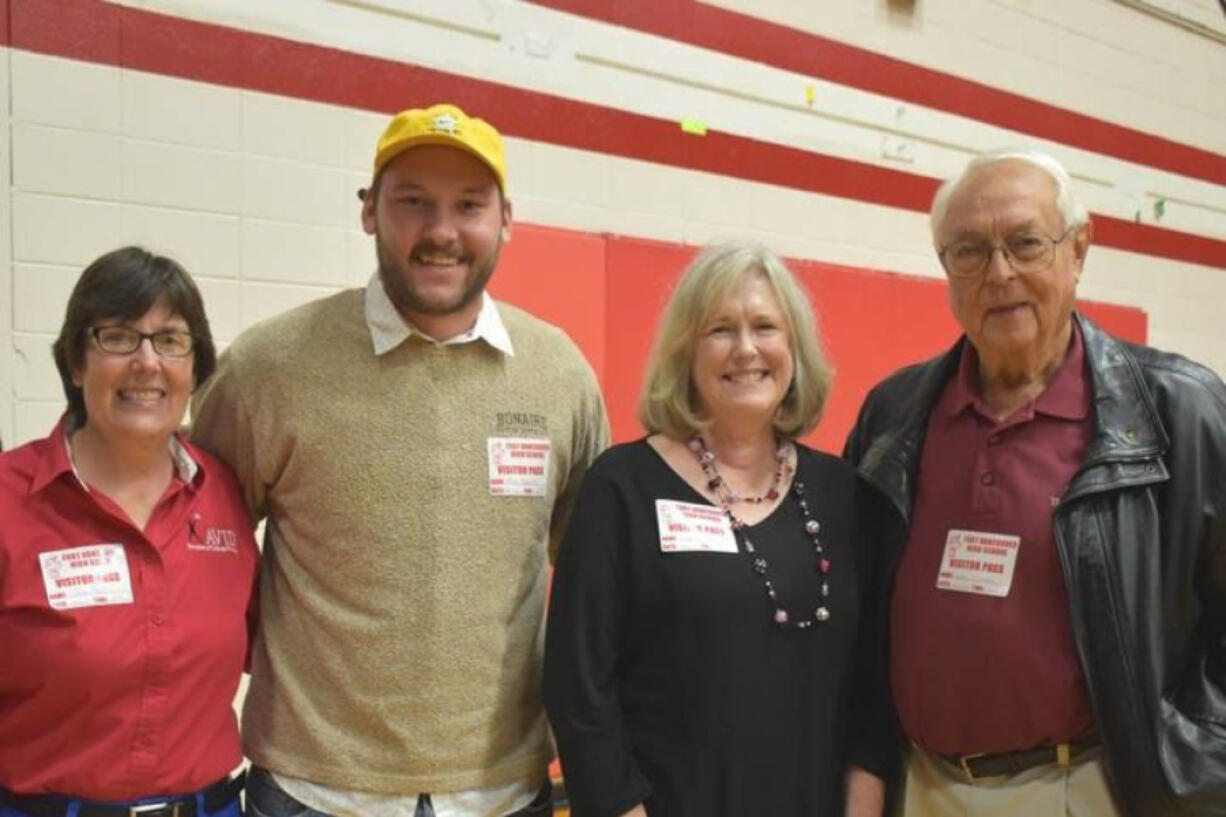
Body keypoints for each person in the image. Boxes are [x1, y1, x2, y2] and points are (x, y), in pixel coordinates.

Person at [190, 103, 608, 817]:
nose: (441, 231)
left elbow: (598, 579)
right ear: (368, 212)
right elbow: (193, 546)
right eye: (412, 202)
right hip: (312, 790)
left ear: (506, 218)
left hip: (502, 791)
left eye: (467, 206)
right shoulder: (270, 367)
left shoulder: (561, 374)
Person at [844, 149, 1226, 817]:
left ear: (1078, 251)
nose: (999, 273)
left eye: (1025, 242)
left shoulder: (1179, 412)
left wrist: (1194, 764)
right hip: (920, 784)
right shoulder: (894, 413)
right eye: (970, 249)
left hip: (1088, 787)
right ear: (945, 267)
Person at [544, 241, 897, 817]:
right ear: (686, 351)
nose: (746, 349)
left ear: (794, 349)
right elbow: (579, 686)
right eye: (720, 330)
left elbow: (874, 693)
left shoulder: (845, 496)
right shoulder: (623, 488)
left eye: (765, 327)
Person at [0, 246, 256, 817]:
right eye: (117, 337)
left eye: (170, 340)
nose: (147, 362)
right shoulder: (9, 500)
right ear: (75, 362)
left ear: (195, 368)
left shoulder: (229, 497)